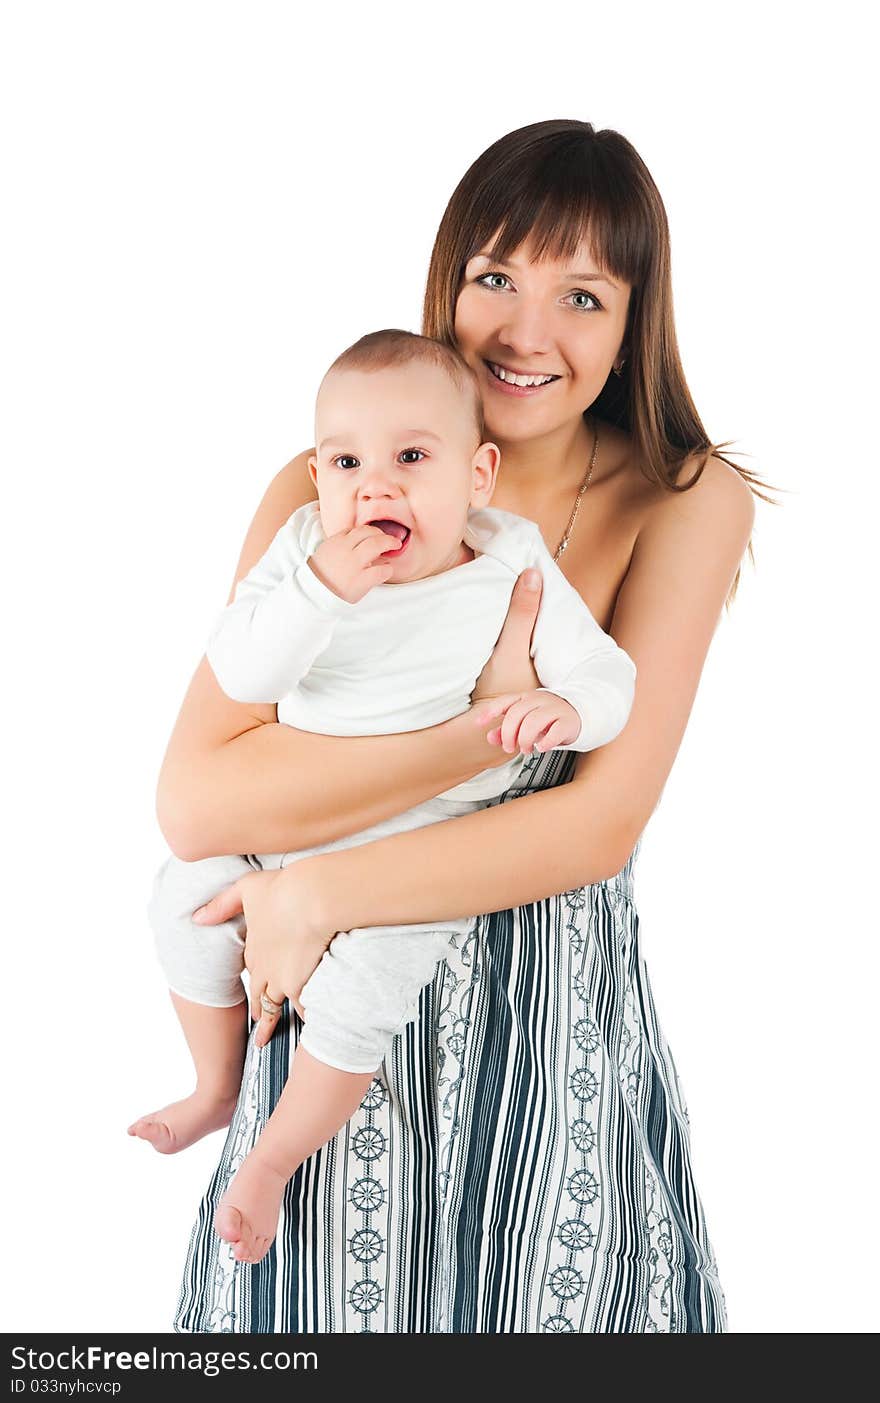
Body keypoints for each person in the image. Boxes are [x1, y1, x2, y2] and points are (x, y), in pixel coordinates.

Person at [162, 119, 766, 1334]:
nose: (525, 332)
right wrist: (478, 734)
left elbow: (597, 825)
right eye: (495, 276)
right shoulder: (332, 481)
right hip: (328, 1025)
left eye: (581, 294)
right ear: (447, 281)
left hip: (546, 1030)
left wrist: (321, 886)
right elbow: (198, 798)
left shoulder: (683, 497)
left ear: (633, 321)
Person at [129, 329, 637, 1268]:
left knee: (366, 990)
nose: (376, 487)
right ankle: (211, 1084)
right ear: (317, 474)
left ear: (478, 474)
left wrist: (567, 706)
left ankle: (274, 1159)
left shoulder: (508, 559)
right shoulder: (303, 553)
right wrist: (320, 592)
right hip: (286, 820)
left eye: (412, 458)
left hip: (416, 849)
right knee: (181, 894)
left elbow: (611, 675)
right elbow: (242, 666)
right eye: (347, 462)